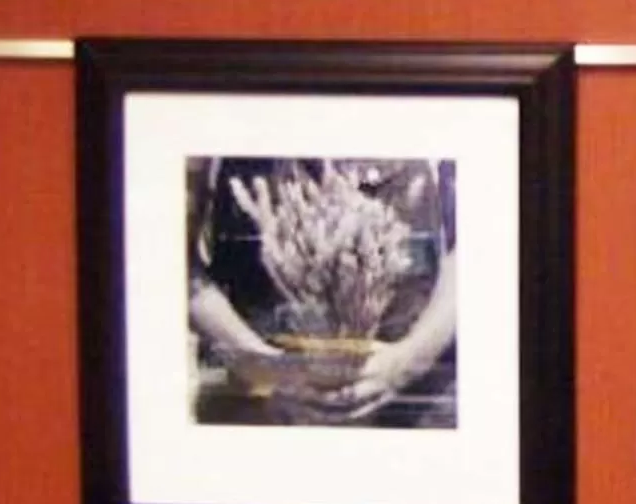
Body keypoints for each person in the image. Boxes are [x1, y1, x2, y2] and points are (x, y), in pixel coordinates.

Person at [186, 156, 457, 428]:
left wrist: (407, 361)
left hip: (415, 405)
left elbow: (481, 249)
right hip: (257, 407)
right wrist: (260, 364)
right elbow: (171, 253)